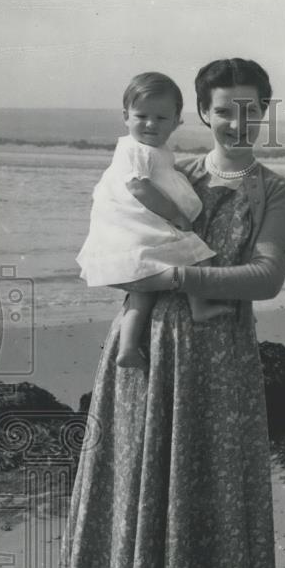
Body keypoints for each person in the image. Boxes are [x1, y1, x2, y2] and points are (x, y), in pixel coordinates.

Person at [64, 58, 285, 568]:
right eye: (224, 109)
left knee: (212, 500)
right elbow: (113, 250)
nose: (237, 120)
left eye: (250, 107)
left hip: (222, 359)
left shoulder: (275, 191)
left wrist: (176, 279)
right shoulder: (164, 168)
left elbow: (265, 278)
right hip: (147, 356)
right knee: (143, 496)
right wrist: (164, 282)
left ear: (265, 109)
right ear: (203, 113)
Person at [76, 72, 217, 369]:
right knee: (196, 257)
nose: (151, 124)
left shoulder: (155, 151)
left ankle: (127, 348)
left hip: (132, 235)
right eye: (142, 116)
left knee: (141, 296)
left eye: (161, 118)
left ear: (177, 121)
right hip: (134, 233)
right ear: (126, 117)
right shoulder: (134, 149)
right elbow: (139, 187)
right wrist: (176, 214)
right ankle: (200, 306)